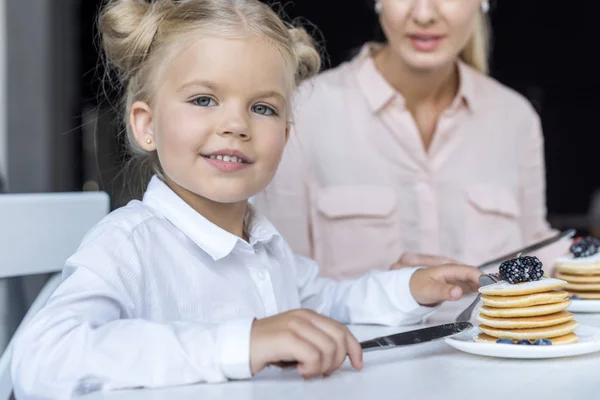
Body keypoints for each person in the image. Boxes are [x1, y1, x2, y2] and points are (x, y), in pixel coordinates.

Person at [10, 1, 481, 398]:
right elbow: (42, 357)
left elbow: (326, 304)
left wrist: (407, 289)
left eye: (263, 108)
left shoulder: (264, 245)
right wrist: (243, 341)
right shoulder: (129, 244)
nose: (236, 125)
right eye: (203, 100)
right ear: (145, 124)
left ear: (287, 135)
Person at [254, 0, 569, 280]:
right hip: (362, 346)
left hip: (495, 344)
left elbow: (537, 248)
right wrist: (385, 295)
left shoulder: (515, 117)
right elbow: (280, 276)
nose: (423, 14)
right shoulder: (305, 111)